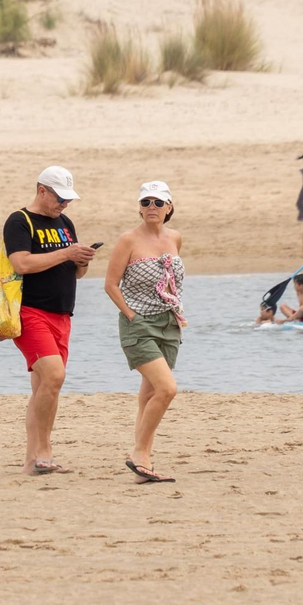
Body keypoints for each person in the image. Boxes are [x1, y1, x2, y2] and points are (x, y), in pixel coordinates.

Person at [5, 165, 96, 476]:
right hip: (30, 312)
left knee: (45, 386)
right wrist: (66, 254)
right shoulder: (20, 220)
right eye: (60, 198)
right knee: (54, 376)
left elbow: (76, 272)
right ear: (41, 190)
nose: (64, 204)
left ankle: (33, 461)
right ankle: (45, 451)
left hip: (62, 314)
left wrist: (81, 261)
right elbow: (21, 262)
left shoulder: (65, 222)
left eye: (68, 200)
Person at [104, 181, 184, 484]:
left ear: (169, 207)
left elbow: (170, 281)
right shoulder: (128, 240)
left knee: (149, 394)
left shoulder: (175, 237)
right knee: (167, 389)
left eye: (158, 202)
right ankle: (140, 454)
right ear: (139, 208)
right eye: (146, 202)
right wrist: (131, 315)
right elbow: (110, 285)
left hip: (168, 325)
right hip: (138, 324)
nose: (152, 208)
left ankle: (143, 465)